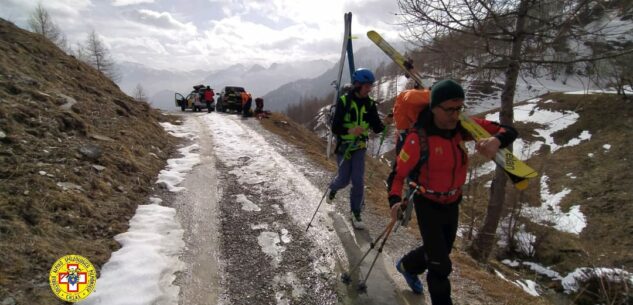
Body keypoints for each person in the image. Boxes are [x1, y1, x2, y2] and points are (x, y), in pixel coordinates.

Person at [388, 79, 517, 304]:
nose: (455, 114)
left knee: (441, 250)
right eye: (449, 109)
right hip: (427, 202)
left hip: (453, 201)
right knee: (441, 265)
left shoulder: (463, 127)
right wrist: (394, 201)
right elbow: (397, 175)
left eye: (460, 108)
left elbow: (509, 130)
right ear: (434, 108)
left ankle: (408, 265)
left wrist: (497, 141)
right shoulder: (417, 139)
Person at [327, 68, 387, 230]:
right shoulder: (344, 102)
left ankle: (355, 212)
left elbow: (376, 127)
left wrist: (386, 123)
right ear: (357, 84)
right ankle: (332, 187)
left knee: (358, 181)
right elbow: (335, 127)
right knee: (343, 180)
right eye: (367, 86)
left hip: (359, 147)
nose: (369, 89)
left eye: (370, 86)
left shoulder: (369, 104)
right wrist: (350, 131)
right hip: (344, 147)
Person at [386, 80, 430, 190]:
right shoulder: (411, 96)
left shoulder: (406, 98)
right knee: (408, 170)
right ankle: (397, 193)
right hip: (407, 139)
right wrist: (436, 95)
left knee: (402, 168)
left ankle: (395, 190)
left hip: (404, 138)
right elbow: (411, 97)